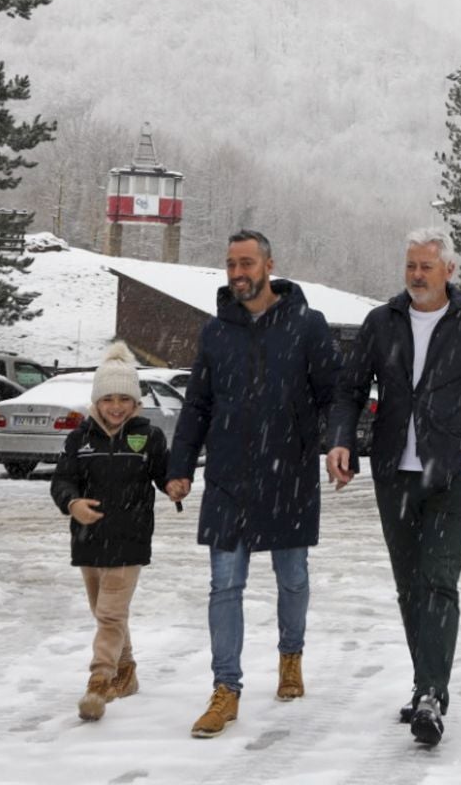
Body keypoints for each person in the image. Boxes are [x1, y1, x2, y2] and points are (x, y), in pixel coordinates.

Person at [325, 226, 461, 747]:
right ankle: (424, 682)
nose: (416, 275)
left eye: (426, 266)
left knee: (439, 581)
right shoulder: (381, 323)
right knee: (409, 586)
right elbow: (349, 391)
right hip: (394, 474)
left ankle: (431, 691)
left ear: (449, 270)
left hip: (451, 476)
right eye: (410, 265)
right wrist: (341, 440)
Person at [166, 229, 336, 740]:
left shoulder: (308, 326)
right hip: (228, 477)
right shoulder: (216, 332)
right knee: (224, 585)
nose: (238, 273)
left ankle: (290, 655)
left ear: (268, 264)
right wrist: (179, 467)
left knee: (293, 580)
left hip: (289, 474)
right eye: (230, 265)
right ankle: (226, 689)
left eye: (246, 263)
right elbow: (197, 404)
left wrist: (333, 445)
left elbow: (333, 395)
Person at [49, 341, 169, 722]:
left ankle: (99, 681)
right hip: (88, 541)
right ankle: (127, 671)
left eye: (124, 399)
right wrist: (73, 504)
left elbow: (166, 477)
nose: (115, 406)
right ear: (96, 402)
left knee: (110, 616)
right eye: (107, 399)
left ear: (136, 403)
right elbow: (62, 481)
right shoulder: (79, 438)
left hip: (129, 539)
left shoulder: (149, 437)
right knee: (105, 614)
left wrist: (177, 485)